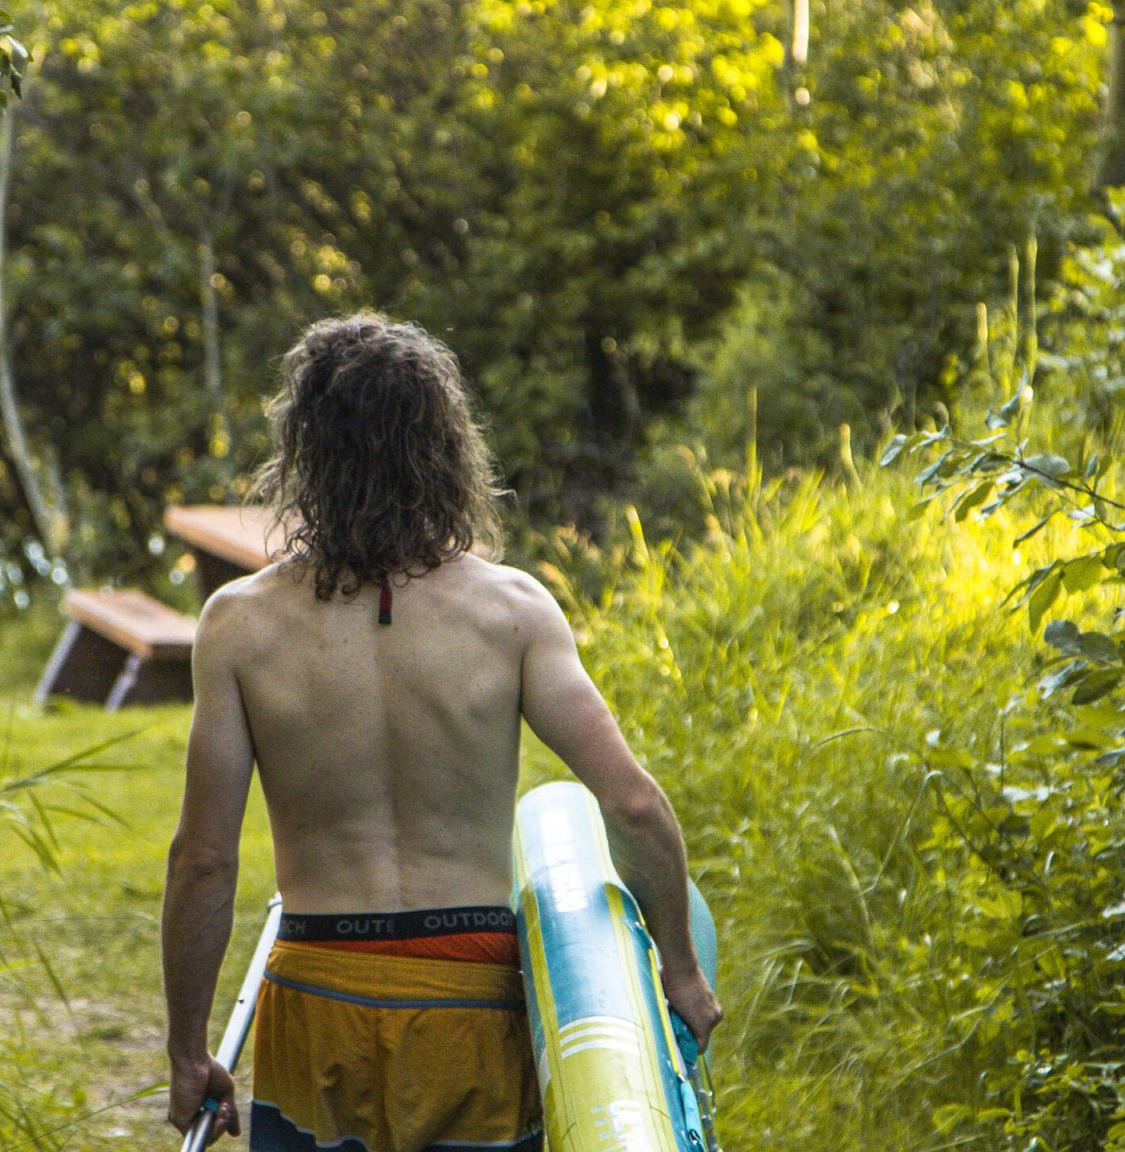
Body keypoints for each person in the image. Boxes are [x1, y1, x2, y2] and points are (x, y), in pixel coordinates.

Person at [161, 312, 722, 1151]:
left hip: (318, 1004)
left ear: (305, 452)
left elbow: (204, 859)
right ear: (445, 447)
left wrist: (186, 1051)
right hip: (472, 1000)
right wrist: (678, 968)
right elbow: (634, 805)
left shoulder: (239, 624)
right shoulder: (513, 611)